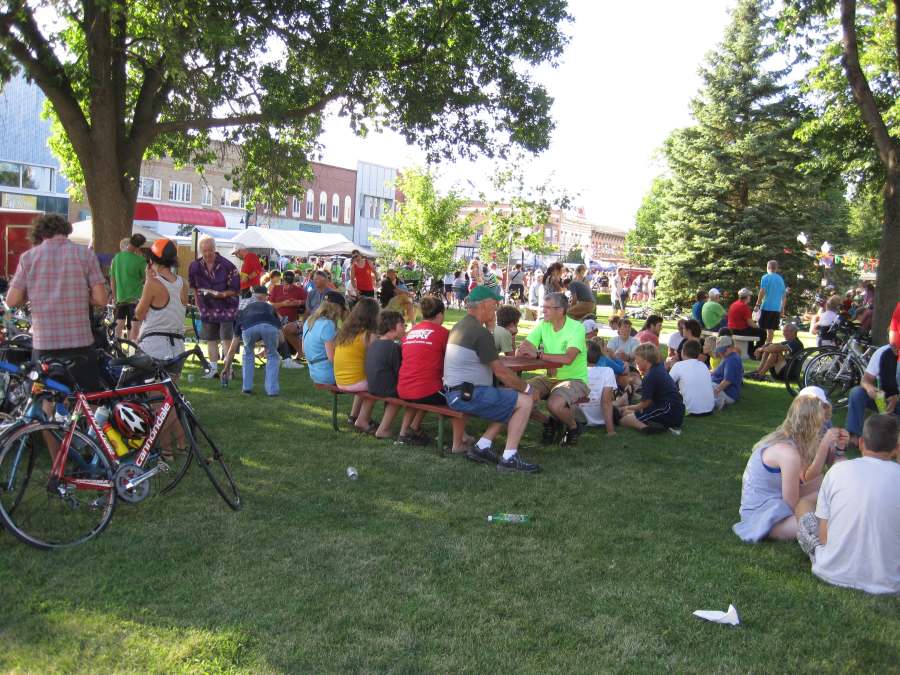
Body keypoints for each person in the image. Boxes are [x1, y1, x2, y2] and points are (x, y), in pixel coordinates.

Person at [796, 414, 900, 594]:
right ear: (896, 449)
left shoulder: (838, 470)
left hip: (830, 570)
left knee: (803, 503)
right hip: (888, 581)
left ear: (861, 443)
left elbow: (823, 537)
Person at [444, 285, 540, 472]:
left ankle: (482, 447)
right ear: (484, 305)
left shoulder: (462, 326)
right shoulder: (478, 332)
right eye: (494, 305)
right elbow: (501, 372)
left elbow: (487, 358)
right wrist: (529, 389)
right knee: (525, 401)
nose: (496, 309)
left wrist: (490, 328)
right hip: (468, 394)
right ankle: (509, 458)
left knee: (510, 400)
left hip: (457, 392)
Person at [7, 213, 107, 391]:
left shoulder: (29, 258)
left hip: (45, 344)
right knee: (83, 401)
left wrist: (35, 294)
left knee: (45, 399)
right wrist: (83, 296)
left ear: (40, 234)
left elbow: (12, 300)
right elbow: (101, 299)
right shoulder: (86, 255)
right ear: (66, 231)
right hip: (80, 343)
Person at [733, 389, 848, 542]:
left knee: (832, 486)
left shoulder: (792, 442)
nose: (824, 428)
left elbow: (829, 475)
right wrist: (825, 494)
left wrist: (839, 450)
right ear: (810, 424)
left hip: (775, 506)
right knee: (831, 520)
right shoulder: (788, 453)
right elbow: (792, 504)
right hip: (765, 519)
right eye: (821, 424)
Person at [397, 297, 473, 454]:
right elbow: (457, 359)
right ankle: (460, 440)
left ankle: (410, 430)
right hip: (425, 389)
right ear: (440, 315)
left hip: (403, 387)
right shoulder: (444, 334)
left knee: (427, 388)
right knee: (460, 396)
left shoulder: (410, 332)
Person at [516, 292, 590, 447]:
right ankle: (549, 422)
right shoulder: (544, 325)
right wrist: (524, 350)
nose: (544, 311)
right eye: (544, 307)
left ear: (561, 310)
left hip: (574, 379)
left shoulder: (576, 328)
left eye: (548, 308)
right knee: (517, 396)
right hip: (549, 378)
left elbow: (567, 359)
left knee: (554, 405)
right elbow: (523, 348)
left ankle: (573, 427)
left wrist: (537, 354)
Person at [188, 236, 240, 379]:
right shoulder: (194, 266)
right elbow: (193, 287)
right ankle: (213, 369)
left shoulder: (228, 266)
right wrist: (198, 303)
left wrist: (223, 294)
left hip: (227, 307)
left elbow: (235, 289)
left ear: (214, 249)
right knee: (210, 339)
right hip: (207, 308)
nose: (207, 254)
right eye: (204, 251)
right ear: (200, 251)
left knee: (226, 339)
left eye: (210, 250)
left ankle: (228, 370)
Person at [135, 239, 188, 377]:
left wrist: (148, 281)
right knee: (169, 395)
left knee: (151, 396)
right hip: (178, 347)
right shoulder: (184, 283)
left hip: (154, 346)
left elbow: (139, 314)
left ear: (152, 260)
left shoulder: (152, 283)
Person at [334, 297, 380, 432]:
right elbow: (379, 359)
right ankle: (363, 420)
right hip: (355, 382)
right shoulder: (368, 335)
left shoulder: (346, 332)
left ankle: (354, 416)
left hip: (340, 380)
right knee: (381, 385)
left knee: (363, 378)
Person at [617, 343, 685, 433]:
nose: (635, 361)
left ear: (645, 359)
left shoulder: (650, 376)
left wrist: (627, 408)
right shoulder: (658, 367)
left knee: (623, 420)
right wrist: (628, 409)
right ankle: (652, 423)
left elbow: (644, 404)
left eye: (637, 358)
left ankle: (646, 428)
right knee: (626, 413)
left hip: (668, 411)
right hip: (675, 410)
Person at [845, 340, 899, 446]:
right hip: (883, 399)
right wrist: (869, 387)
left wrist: (896, 397)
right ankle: (854, 436)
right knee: (857, 392)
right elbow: (866, 379)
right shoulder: (883, 352)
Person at [235, 286, 282, 396]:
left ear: (252, 293)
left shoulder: (242, 303)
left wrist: (227, 366)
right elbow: (281, 335)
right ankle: (272, 391)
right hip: (269, 326)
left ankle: (246, 388)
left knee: (247, 353)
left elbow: (235, 338)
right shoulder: (269, 306)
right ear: (265, 296)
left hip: (247, 327)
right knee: (273, 355)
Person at [303, 291, 347, 385]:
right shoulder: (328, 324)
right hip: (327, 374)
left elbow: (304, 349)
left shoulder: (309, 321)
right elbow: (333, 358)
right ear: (337, 308)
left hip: (314, 372)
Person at [109, 233, 147, 340]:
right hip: (135, 298)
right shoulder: (140, 260)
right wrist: (139, 281)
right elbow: (147, 277)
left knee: (118, 325)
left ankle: (116, 350)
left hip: (120, 298)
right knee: (135, 328)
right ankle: (132, 352)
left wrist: (115, 296)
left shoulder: (116, 258)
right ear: (138, 247)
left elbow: (113, 279)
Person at [577, 338, 617, 436]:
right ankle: (624, 399)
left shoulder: (574, 372)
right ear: (599, 356)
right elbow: (607, 401)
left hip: (580, 419)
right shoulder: (608, 371)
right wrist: (610, 431)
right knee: (618, 406)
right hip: (602, 418)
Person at [269, 270, 306, 367]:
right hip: (276, 320)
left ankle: (299, 353)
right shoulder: (276, 289)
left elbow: (306, 301)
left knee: (287, 329)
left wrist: (297, 302)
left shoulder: (299, 290)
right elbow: (270, 305)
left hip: (292, 321)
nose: (288, 286)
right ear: (282, 281)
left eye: (290, 284)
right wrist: (283, 304)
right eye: (286, 284)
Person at [669, 339, 715, 416]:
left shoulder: (678, 365)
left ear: (683, 352)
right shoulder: (703, 365)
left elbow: (667, 384)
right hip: (709, 410)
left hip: (690, 410)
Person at [755, 260, 786, 345]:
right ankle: (768, 348)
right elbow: (784, 296)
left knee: (761, 328)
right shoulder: (780, 279)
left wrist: (757, 304)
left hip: (766, 307)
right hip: (776, 309)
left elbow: (762, 291)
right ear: (776, 268)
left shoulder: (765, 277)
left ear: (767, 268)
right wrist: (782, 308)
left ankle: (759, 348)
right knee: (771, 330)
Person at [727, 288, 767, 353]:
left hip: (731, 329)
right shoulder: (744, 306)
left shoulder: (734, 304)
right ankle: (757, 351)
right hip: (739, 330)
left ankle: (751, 350)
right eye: (749, 296)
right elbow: (750, 323)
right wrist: (758, 326)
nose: (750, 297)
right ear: (747, 297)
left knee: (751, 330)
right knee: (763, 332)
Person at [711, 336, 743, 410]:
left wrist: (714, 392)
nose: (721, 353)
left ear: (731, 347)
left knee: (703, 388)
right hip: (723, 389)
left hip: (728, 393)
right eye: (719, 350)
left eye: (723, 350)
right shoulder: (729, 357)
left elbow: (727, 381)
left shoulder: (731, 360)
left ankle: (718, 401)